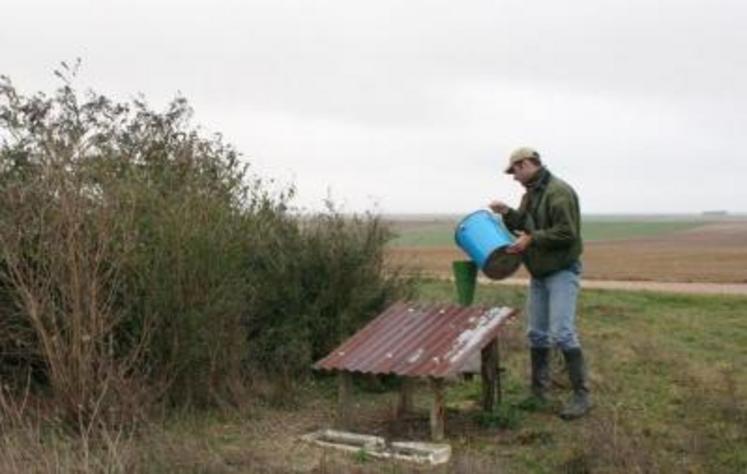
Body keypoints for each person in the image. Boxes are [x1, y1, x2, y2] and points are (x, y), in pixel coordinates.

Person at [489, 146, 591, 420]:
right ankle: (539, 393)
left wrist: (532, 239)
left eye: (515, 171)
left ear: (526, 164)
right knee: (536, 333)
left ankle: (582, 397)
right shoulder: (531, 194)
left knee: (563, 333)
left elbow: (567, 232)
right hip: (540, 273)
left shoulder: (559, 192)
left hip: (561, 271)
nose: (513, 176)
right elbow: (525, 223)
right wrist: (507, 212)